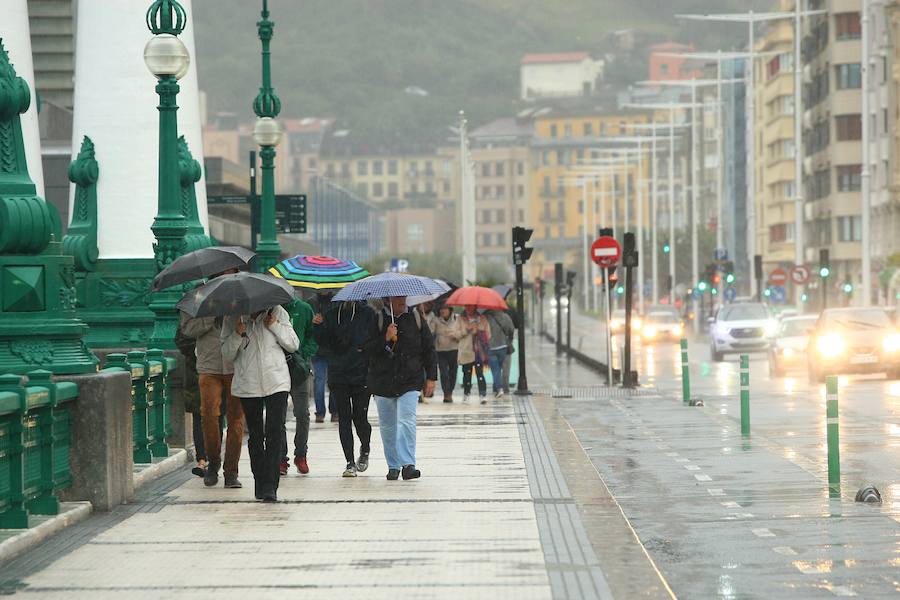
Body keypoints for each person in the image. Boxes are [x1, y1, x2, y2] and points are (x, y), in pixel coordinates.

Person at [222, 306, 299, 502]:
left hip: (276, 381)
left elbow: (293, 344)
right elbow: (226, 354)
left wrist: (274, 326)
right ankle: (260, 480)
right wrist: (237, 334)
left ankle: (270, 486)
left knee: (274, 431)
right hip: (248, 383)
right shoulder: (233, 316)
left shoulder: (278, 313)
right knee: (256, 435)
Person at [365, 296, 437, 481]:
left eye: (404, 296)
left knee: (407, 420)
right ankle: (393, 466)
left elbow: (429, 347)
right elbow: (366, 349)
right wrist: (386, 338)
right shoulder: (377, 319)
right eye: (398, 297)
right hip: (383, 381)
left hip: (410, 379)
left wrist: (431, 377)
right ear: (387, 299)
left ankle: (408, 465)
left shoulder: (415, 317)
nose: (402, 300)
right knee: (388, 426)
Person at [182, 308, 244, 489]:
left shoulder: (239, 297)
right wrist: (210, 318)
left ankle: (231, 471)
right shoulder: (198, 301)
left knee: (236, 420)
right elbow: (187, 330)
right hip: (209, 365)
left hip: (236, 365)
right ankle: (213, 463)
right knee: (208, 415)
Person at [315, 300, 376, 477]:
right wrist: (318, 326)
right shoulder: (332, 314)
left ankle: (365, 449)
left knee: (360, 417)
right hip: (338, 374)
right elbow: (322, 342)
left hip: (361, 374)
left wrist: (363, 350)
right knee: (344, 418)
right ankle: (349, 462)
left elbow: (374, 339)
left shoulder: (368, 313)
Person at [279, 295, 318, 476]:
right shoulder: (270, 311)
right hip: (276, 368)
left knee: (302, 413)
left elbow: (313, 335)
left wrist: (304, 354)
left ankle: (301, 454)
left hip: (298, 368)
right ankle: (281, 458)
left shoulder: (303, 309)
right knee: (277, 416)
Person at [309, 291, 337, 422]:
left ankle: (335, 411)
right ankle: (320, 412)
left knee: (333, 381)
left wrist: (324, 321)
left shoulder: (337, 301)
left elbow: (337, 325)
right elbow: (308, 326)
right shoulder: (312, 302)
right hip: (318, 349)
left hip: (333, 349)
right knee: (319, 381)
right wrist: (313, 322)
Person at [428, 304, 461, 403]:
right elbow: (430, 332)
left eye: (445, 309)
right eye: (441, 309)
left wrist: (455, 335)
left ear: (450, 310)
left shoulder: (457, 318)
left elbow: (462, 331)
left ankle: (450, 392)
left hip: (454, 349)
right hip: (440, 350)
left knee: (453, 373)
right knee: (444, 373)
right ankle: (446, 394)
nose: (443, 311)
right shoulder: (436, 320)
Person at [458, 304, 489, 404]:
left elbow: (488, 333)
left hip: (479, 351)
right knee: (467, 373)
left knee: (480, 373)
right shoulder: (460, 318)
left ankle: (482, 394)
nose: (468, 308)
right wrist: (467, 330)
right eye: (466, 306)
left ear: (475, 307)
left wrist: (478, 330)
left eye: (470, 306)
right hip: (466, 350)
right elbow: (455, 333)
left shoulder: (482, 318)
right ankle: (466, 394)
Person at [485, 309, 515, 399]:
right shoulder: (506, 317)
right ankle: (504, 388)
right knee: (503, 368)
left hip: (491, 347)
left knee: (495, 369)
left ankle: (498, 388)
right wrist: (509, 339)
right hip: (503, 347)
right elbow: (511, 329)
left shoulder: (486, 317)